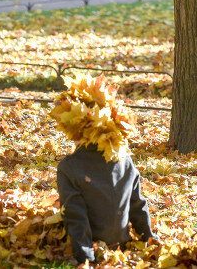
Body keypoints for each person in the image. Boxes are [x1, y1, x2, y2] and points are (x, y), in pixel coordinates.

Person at [51, 75, 155, 265]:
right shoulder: (124, 159)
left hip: (95, 250)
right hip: (122, 247)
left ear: (76, 127)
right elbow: (138, 206)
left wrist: (87, 260)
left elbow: (76, 217)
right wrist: (149, 242)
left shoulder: (69, 167)